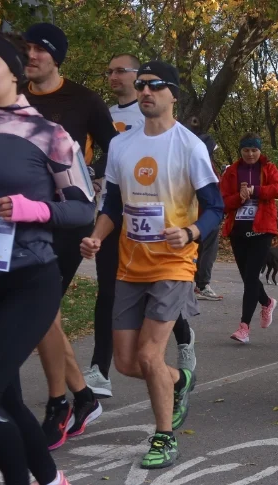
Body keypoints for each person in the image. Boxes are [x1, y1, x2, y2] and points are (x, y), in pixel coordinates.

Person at [0, 30, 96, 485]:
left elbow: (82, 207)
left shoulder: (48, 134)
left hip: (29, 283)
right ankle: (52, 479)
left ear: (14, 72)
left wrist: (32, 209)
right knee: (7, 400)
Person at [80, 60, 223, 469]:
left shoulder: (189, 146)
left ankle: (164, 437)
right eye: (140, 85)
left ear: (172, 94)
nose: (145, 91)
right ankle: (179, 379)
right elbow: (112, 205)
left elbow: (216, 207)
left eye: (155, 85)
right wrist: (97, 237)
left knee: (147, 355)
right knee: (125, 363)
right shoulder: (122, 145)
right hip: (130, 265)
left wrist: (191, 232)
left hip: (174, 265)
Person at [22, 21, 117, 450]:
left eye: (39, 49)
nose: (31, 55)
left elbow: (116, 151)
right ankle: (81, 397)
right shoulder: (14, 97)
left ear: (56, 56)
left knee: (39, 307)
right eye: (26, 49)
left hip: (67, 218)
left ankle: (62, 402)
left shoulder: (83, 99)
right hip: (22, 218)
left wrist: (96, 182)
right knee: (41, 312)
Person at [84, 53, 198, 402]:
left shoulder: (171, 129)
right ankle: (102, 367)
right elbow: (97, 162)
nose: (115, 77)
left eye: (123, 71)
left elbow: (210, 200)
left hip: (168, 239)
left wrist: (192, 231)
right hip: (119, 221)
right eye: (111, 71)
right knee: (111, 298)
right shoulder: (106, 119)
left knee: (149, 347)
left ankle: (181, 336)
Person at [221, 133, 278, 343]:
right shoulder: (231, 172)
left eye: (254, 150)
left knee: (250, 278)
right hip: (238, 229)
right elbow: (223, 201)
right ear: (241, 151)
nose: (250, 154)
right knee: (248, 277)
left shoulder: (269, 168)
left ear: (260, 150)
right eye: (246, 150)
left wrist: (255, 191)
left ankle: (244, 327)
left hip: (262, 228)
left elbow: (277, 189)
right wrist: (239, 197)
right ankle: (266, 302)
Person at [187, 115, 224, 301]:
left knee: (198, 251)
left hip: (195, 216)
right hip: (204, 217)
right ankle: (202, 284)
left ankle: (194, 284)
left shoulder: (191, 161)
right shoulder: (204, 164)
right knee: (208, 251)